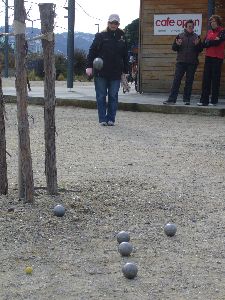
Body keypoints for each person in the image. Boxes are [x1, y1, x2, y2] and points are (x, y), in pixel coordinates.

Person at [86, 14, 129, 126]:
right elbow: (92, 51)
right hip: (101, 71)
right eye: (112, 22)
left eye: (116, 23)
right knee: (101, 96)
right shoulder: (100, 35)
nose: (114, 25)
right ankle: (102, 119)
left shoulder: (122, 36)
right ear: (108, 23)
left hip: (116, 72)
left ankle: (111, 119)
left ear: (118, 24)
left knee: (113, 96)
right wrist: (89, 66)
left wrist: (126, 70)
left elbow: (125, 55)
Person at [163, 19, 203, 105]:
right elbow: (174, 48)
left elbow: (200, 50)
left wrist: (197, 45)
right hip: (181, 62)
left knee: (189, 81)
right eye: (189, 26)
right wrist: (178, 44)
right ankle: (172, 99)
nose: (191, 28)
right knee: (176, 81)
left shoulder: (197, 37)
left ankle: (186, 99)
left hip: (192, 63)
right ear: (185, 27)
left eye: (192, 27)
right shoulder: (179, 36)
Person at [197, 15, 225, 106]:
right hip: (208, 57)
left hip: (217, 58)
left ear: (218, 22)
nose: (212, 23)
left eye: (214, 21)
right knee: (206, 79)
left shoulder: (222, 31)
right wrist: (209, 42)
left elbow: (218, 42)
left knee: (215, 79)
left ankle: (214, 101)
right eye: (211, 22)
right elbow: (204, 44)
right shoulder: (209, 32)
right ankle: (204, 100)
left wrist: (209, 42)